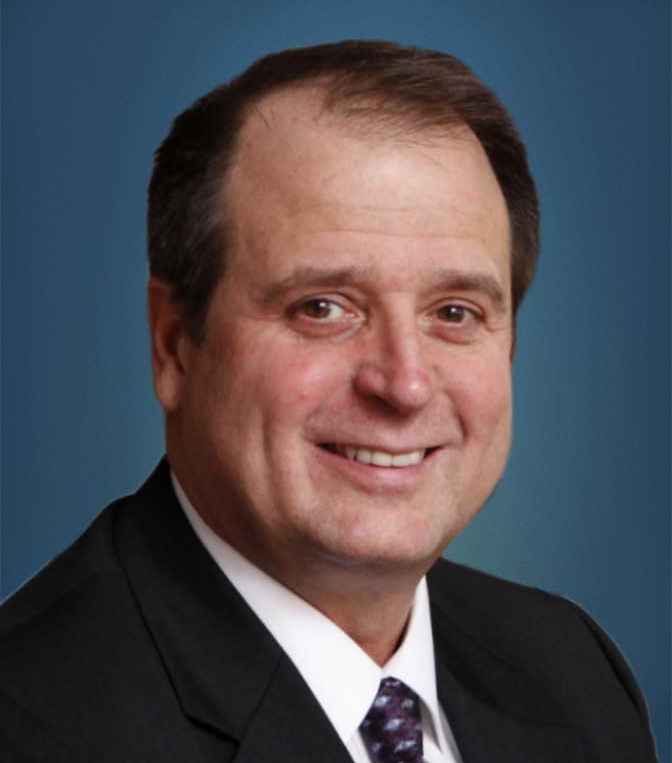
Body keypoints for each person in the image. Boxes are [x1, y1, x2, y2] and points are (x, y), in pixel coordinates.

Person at [0, 40, 658, 763]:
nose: (404, 384)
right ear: (175, 345)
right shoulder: (32, 723)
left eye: (454, 312)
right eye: (322, 307)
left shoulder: (573, 673)